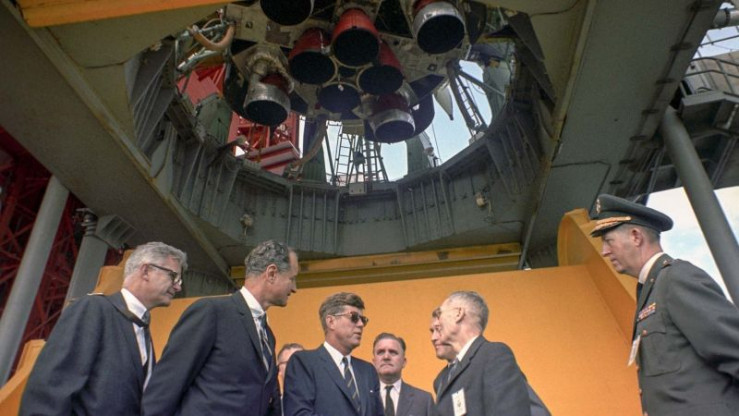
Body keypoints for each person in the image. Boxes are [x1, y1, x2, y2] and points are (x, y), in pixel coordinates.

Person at [592, 193, 739, 415]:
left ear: (635, 236)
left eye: (608, 240)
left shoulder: (676, 279)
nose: (604, 251)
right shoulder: (653, 288)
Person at [20, 242, 187, 415]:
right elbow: (50, 389)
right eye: (173, 276)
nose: (178, 287)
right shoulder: (93, 309)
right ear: (146, 271)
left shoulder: (141, 328)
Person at [142, 240, 298, 416]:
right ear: (271, 273)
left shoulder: (268, 335)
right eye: (292, 278)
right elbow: (165, 388)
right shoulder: (212, 312)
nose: (294, 288)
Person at [429, 307, 549, 416]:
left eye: (439, 329)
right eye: (432, 331)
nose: (433, 338)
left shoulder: (492, 355)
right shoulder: (441, 380)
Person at [283, 292, 383, 416]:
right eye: (354, 317)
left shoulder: (368, 371)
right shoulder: (304, 363)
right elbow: (299, 413)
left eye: (363, 320)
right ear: (331, 322)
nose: (361, 324)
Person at [372, 332, 433, 416]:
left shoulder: (424, 400)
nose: (386, 357)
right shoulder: (362, 398)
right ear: (374, 362)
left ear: (404, 362)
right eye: (381, 352)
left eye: (393, 352)